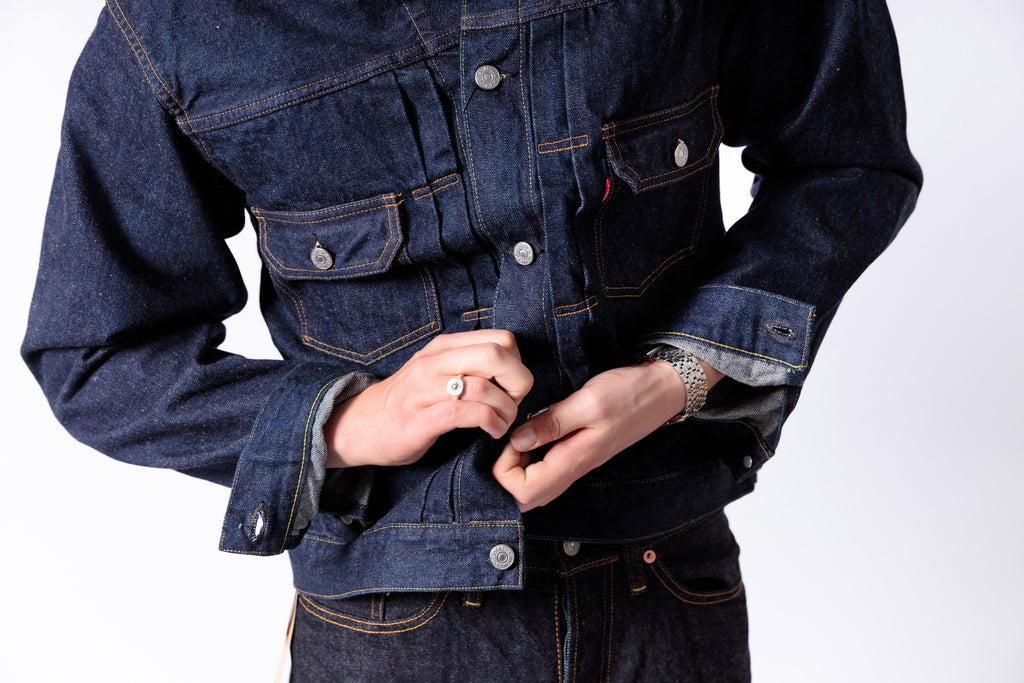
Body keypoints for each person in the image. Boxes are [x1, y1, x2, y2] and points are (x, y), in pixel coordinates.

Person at [22, 1, 920, 680]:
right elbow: (93, 351)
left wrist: (681, 373)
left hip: (666, 592)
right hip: (391, 630)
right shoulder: (177, 27)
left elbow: (849, 158)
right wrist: (352, 418)